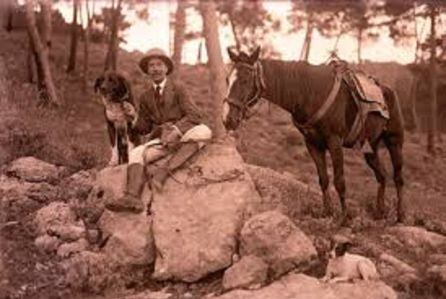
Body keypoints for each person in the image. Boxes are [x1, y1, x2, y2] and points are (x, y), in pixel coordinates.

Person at [107, 48, 212, 213]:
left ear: (166, 68)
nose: (155, 69)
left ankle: (163, 173)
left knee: (204, 131)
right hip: (163, 141)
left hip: (184, 136)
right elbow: (144, 128)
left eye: (159, 65)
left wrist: (176, 130)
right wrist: (133, 116)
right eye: (151, 65)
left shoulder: (178, 88)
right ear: (147, 71)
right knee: (137, 153)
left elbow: (195, 115)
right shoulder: (145, 96)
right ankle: (132, 198)